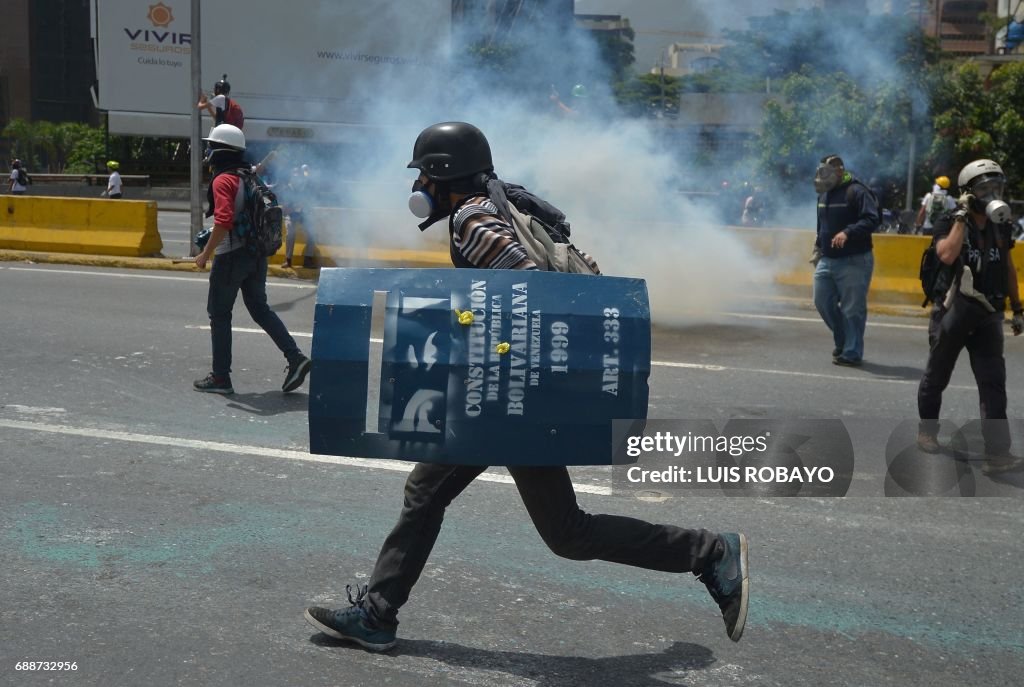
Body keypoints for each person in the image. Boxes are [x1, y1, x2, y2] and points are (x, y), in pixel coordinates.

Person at [303, 121, 750, 652]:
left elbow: (532, 293)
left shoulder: (471, 219)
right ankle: (707, 552)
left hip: (505, 396)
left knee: (459, 502)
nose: (418, 185)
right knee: (555, 529)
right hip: (511, 391)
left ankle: (710, 552)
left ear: (444, 175)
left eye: (423, 174)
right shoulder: (501, 206)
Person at [916, 158, 1024, 474]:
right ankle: (927, 430)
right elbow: (947, 254)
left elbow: (1007, 267)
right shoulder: (948, 221)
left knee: (993, 382)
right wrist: (962, 217)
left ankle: (997, 453)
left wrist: (1017, 307)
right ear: (968, 192)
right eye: (985, 188)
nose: (992, 194)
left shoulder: (1001, 225)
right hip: (954, 310)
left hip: (988, 312)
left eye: (997, 187)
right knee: (937, 374)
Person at [192, 123, 311, 395]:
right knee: (260, 309)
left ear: (220, 151)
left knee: (219, 314)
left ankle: (221, 378)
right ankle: (295, 357)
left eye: (211, 147)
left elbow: (224, 220)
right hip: (256, 254)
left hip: (231, 257)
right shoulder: (248, 175)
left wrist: (205, 253)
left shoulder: (223, 180)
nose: (208, 152)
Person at [812, 154, 880, 367]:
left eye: (826, 172)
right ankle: (844, 339)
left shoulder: (857, 191)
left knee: (852, 309)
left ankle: (852, 352)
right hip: (827, 259)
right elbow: (822, 226)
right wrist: (818, 247)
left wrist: (848, 232)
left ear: (839, 171)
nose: (821, 176)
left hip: (854, 260)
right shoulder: (824, 195)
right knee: (822, 301)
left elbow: (872, 219)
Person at [282, 164, 317, 269]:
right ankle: (288, 260)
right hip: (291, 215)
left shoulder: (305, 188)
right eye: (294, 175)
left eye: (298, 175)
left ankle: (308, 259)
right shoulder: (287, 189)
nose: (296, 177)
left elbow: (310, 202)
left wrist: (305, 205)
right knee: (290, 234)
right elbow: (285, 211)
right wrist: (295, 207)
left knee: (312, 232)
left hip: (303, 215)